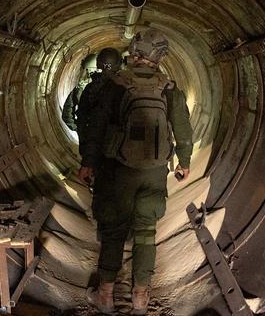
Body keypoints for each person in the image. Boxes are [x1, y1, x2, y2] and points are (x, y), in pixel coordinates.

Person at [79, 29, 193, 315]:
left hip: (118, 170)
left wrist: (89, 161)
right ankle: (140, 298)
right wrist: (184, 160)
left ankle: (105, 296)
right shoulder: (169, 88)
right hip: (154, 172)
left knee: (114, 230)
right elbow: (182, 127)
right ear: (159, 57)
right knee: (145, 231)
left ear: (135, 52)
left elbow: (96, 127)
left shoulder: (116, 85)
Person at [76, 47, 122, 147]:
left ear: (99, 63)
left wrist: (84, 143)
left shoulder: (91, 87)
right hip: (116, 147)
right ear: (118, 65)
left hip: (94, 143)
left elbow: (81, 117)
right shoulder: (123, 87)